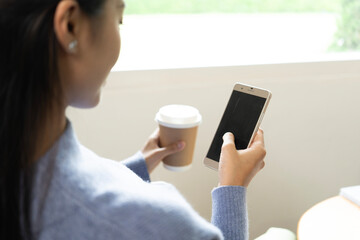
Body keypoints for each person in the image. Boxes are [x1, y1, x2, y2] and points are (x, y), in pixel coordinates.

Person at [0, 0, 267, 239]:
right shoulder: (158, 222)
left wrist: (132, 169)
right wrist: (233, 187)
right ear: (71, 25)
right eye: (118, 20)